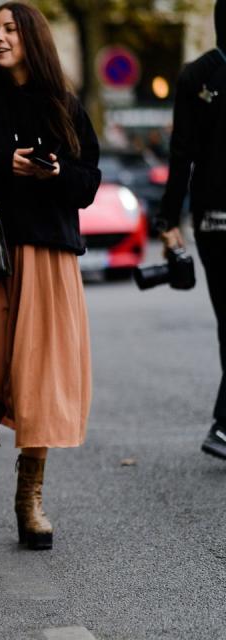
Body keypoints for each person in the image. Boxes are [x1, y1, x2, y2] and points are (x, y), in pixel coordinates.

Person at [0, 2, 101, 550]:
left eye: (10, 29)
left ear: (32, 38)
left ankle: (30, 499)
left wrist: (52, 174)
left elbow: (86, 185)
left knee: (38, 378)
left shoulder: (65, 107)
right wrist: (2, 164)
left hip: (46, 251)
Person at [158, 0, 226, 460]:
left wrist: (169, 222)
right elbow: (181, 155)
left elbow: (180, 155)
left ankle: (223, 426)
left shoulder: (194, 75)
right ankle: (222, 426)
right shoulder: (197, 78)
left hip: (210, 218)